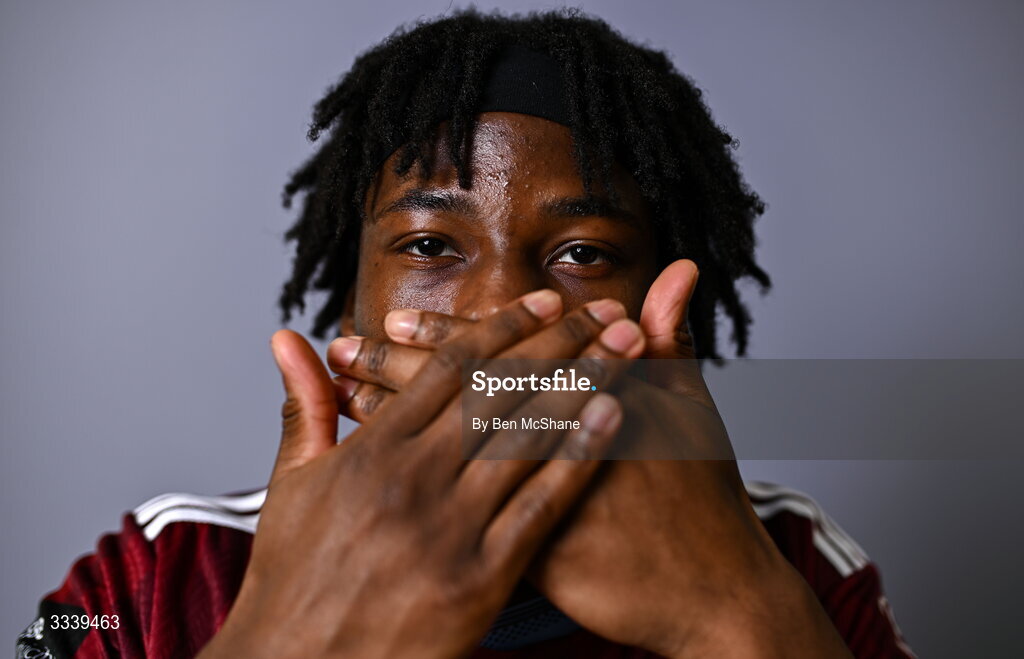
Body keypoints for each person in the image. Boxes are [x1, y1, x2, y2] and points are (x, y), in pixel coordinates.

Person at [17, 9, 915, 658]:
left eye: (582, 253)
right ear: (352, 309)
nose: (493, 310)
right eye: (427, 244)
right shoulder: (146, 573)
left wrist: (737, 617)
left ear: (660, 317)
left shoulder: (790, 554)